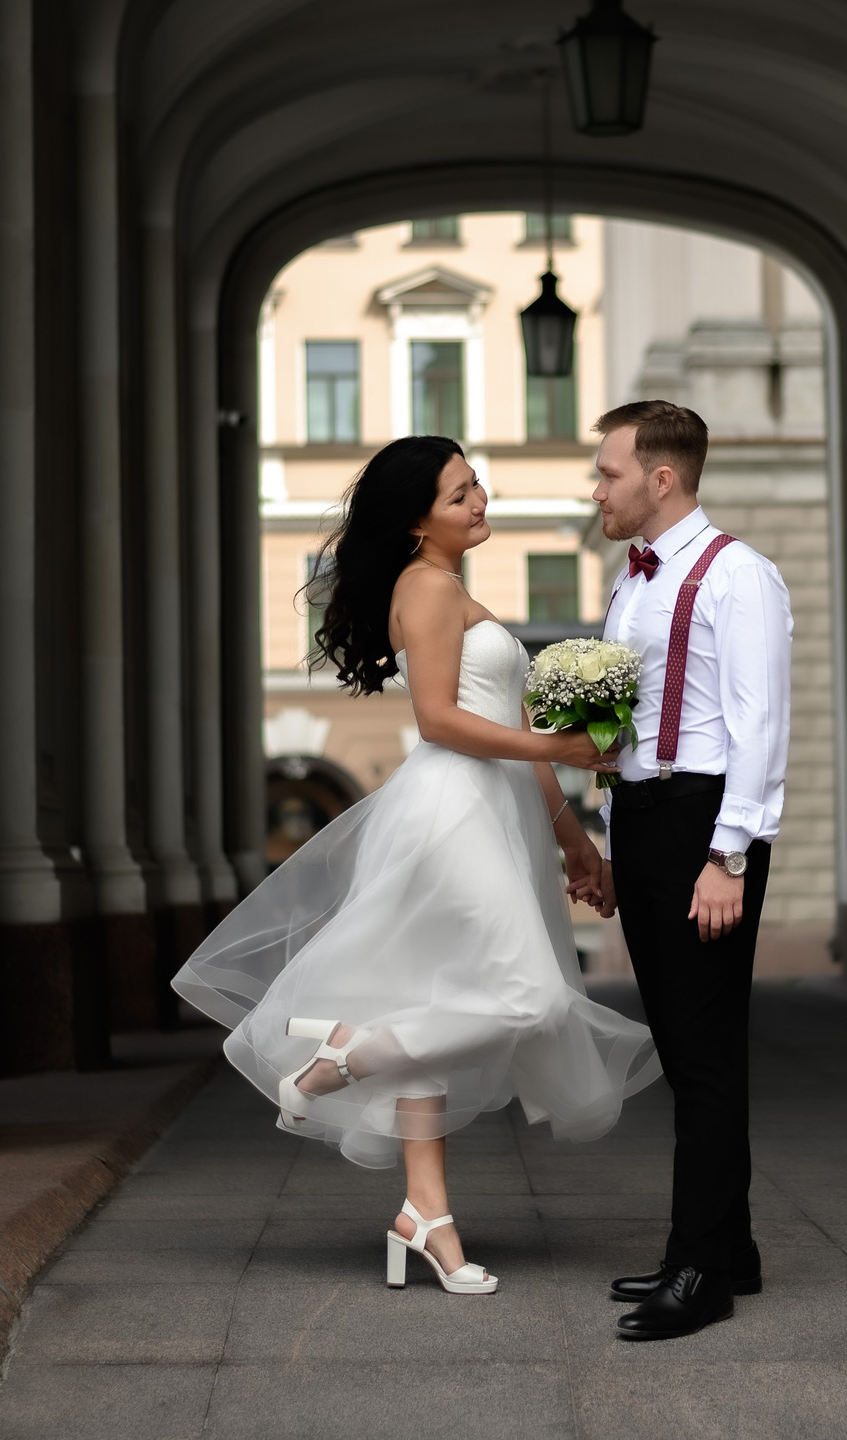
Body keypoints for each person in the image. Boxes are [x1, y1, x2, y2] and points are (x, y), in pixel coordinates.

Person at [173, 435, 657, 1295]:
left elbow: (504, 728)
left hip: (492, 809)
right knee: (530, 996)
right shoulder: (425, 588)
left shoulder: (452, 587)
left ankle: (425, 1216)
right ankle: (349, 1055)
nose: (481, 499)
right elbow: (439, 722)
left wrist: (576, 844)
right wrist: (562, 745)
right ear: (415, 520)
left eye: (477, 485)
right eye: (460, 492)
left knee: (440, 1003)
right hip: (450, 812)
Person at [589, 401, 794, 1341]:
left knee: (705, 1058)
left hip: (705, 823)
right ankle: (725, 1249)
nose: (598, 489)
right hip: (647, 820)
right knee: (684, 1049)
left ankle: (702, 1270)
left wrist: (728, 854)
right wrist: (611, 830)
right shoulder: (631, 584)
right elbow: (626, 729)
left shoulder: (738, 576)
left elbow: (759, 727)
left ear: (660, 477)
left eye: (608, 472)